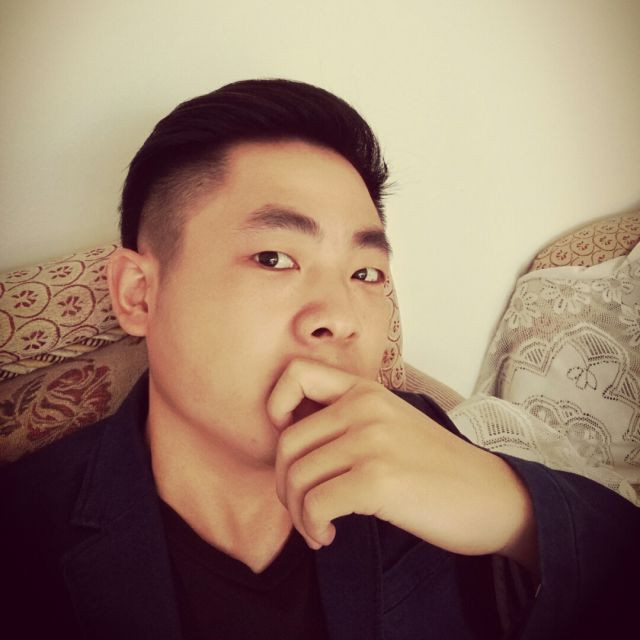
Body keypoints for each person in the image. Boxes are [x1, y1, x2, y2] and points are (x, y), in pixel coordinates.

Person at [1, 79, 638, 640]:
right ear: (139, 295)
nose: (340, 316)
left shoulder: (413, 434)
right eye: (275, 258)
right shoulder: (24, 536)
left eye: (366, 272)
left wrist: (516, 513)